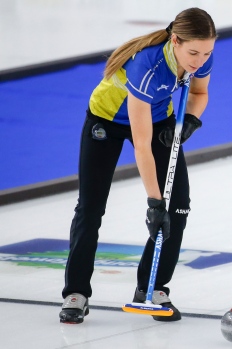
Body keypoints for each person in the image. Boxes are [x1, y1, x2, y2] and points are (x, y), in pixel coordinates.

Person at [59, 8, 217, 324]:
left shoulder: (201, 57)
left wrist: (191, 121)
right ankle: (76, 293)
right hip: (107, 121)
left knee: (179, 208)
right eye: (193, 53)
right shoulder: (148, 65)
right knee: (90, 208)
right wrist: (154, 203)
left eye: (207, 53)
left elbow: (199, 92)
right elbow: (141, 146)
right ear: (175, 41)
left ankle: (154, 287)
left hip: (159, 119)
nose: (200, 61)